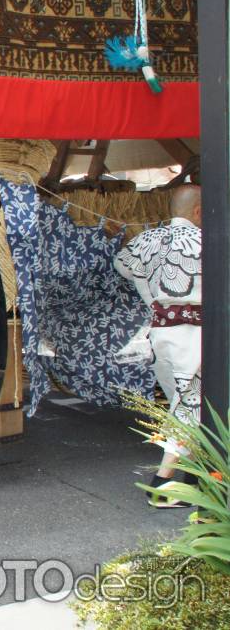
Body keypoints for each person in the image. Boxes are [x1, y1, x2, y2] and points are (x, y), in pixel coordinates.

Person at [115, 184, 202, 508]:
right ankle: (162, 483)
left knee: (185, 405)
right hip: (193, 335)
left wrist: (149, 291)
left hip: (160, 333)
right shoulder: (206, 241)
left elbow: (122, 266)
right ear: (197, 211)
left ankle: (196, 482)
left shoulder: (147, 240)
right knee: (190, 408)